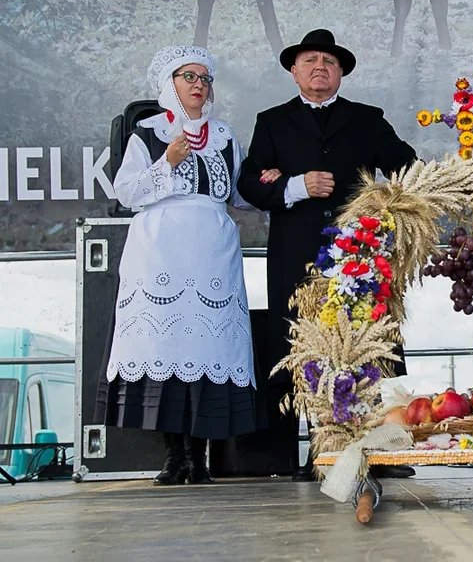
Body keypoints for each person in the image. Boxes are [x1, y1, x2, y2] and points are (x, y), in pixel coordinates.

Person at [236, 29, 417, 481]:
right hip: (296, 255)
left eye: (330, 62)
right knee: (303, 346)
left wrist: (382, 200)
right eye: (310, 60)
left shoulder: (367, 118)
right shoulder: (272, 121)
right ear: (294, 71)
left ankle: (380, 448)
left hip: (360, 251)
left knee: (370, 341)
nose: (320, 67)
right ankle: (316, 452)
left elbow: (407, 166)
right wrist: (293, 185)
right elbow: (248, 184)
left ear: (341, 73)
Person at [98, 45, 264, 485]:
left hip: (212, 251)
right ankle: (175, 457)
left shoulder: (225, 135)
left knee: (209, 352)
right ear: (168, 85)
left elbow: (239, 192)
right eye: (188, 76)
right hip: (160, 251)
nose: (199, 85)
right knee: (166, 349)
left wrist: (273, 184)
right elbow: (127, 193)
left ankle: (202, 457)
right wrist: (167, 161)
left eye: (205, 78)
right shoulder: (147, 134)